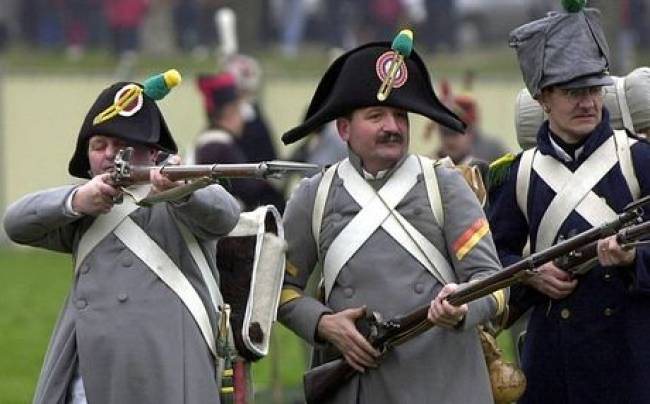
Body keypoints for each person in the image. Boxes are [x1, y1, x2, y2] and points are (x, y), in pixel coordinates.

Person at [277, 32, 507, 403]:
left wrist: (463, 306)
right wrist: (323, 324)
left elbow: (494, 285)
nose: (393, 126)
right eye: (376, 116)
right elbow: (279, 289)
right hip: (359, 387)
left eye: (400, 115)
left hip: (443, 384)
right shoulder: (313, 196)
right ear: (344, 128)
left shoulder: (446, 186)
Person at [3, 72, 241, 403]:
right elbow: (15, 223)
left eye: (122, 145)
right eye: (99, 145)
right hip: (88, 374)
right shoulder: (84, 208)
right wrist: (77, 201)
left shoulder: (181, 198)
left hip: (168, 371)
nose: (109, 154)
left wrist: (183, 189)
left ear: (153, 153)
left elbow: (225, 214)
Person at [487, 3, 650, 403]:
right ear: (542, 97)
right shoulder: (517, 175)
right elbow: (491, 260)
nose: (588, 103)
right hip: (554, 368)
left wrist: (634, 260)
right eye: (573, 92)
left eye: (594, 89)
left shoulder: (639, 159)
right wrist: (529, 274)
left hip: (631, 363)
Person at [194, 71, 286, 212]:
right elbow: (248, 189)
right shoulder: (219, 146)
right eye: (239, 110)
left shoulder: (212, 142)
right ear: (230, 111)